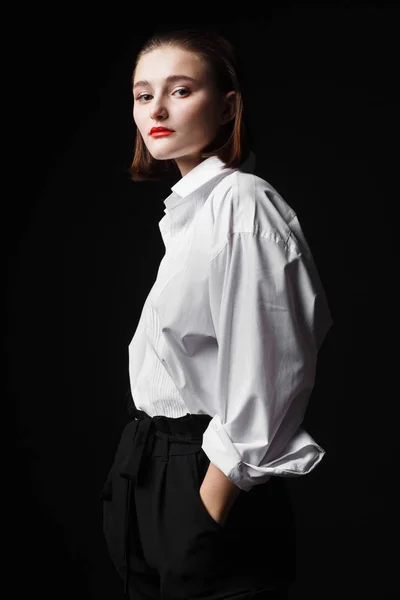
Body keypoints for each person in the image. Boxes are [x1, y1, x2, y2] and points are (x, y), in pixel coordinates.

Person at [100, 27, 333, 600]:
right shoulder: (188, 218)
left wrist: (201, 515)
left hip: (206, 481)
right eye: (142, 94)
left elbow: (271, 372)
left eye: (180, 91)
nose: (156, 108)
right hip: (149, 472)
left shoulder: (242, 203)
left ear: (227, 106)